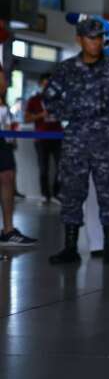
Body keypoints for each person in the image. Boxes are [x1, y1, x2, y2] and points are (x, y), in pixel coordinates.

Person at [45, 19, 109, 265]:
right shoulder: (66, 69)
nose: (96, 43)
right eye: (91, 38)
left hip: (106, 141)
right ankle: (70, 248)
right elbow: (50, 97)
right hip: (75, 140)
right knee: (72, 193)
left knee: (108, 193)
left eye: (99, 38)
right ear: (79, 39)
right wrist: (67, 116)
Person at [0, 67, 35, 247]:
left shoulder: (4, 102)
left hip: (3, 144)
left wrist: (10, 135)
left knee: (8, 179)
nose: (4, 83)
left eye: (4, 79)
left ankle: (8, 230)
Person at [23, 73, 62, 202]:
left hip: (58, 137)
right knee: (43, 168)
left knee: (61, 166)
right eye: (45, 84)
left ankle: (57, 193)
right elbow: (27, 118)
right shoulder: (34, 100)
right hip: (41, 138)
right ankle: (45, 195)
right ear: (40, 84)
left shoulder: (58, 99)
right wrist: (41, 115)